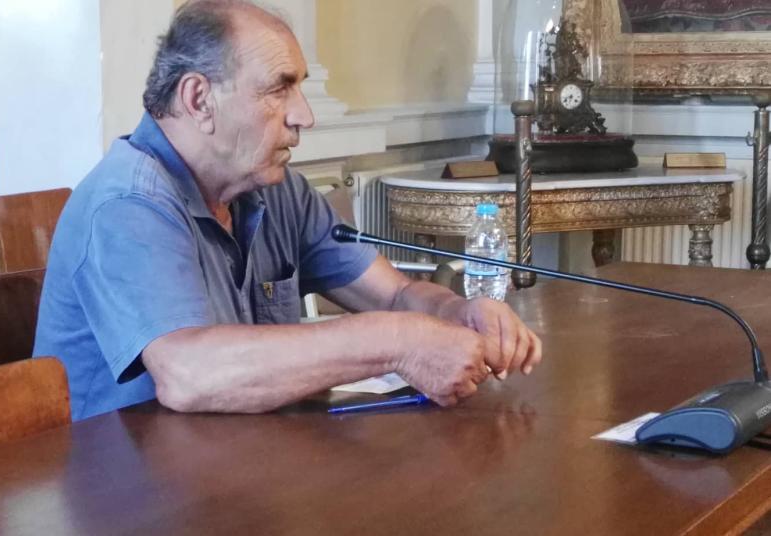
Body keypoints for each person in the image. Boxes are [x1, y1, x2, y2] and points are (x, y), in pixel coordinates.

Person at [34, 0, 542, 421]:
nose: (305, 115)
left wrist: (457, 314)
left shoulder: (273, 189)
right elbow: (187, 374)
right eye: (280, 88)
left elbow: (396, 294)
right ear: (199, 99)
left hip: (230, 465)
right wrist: (397, 342)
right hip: (119, 489)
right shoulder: (128, 202)